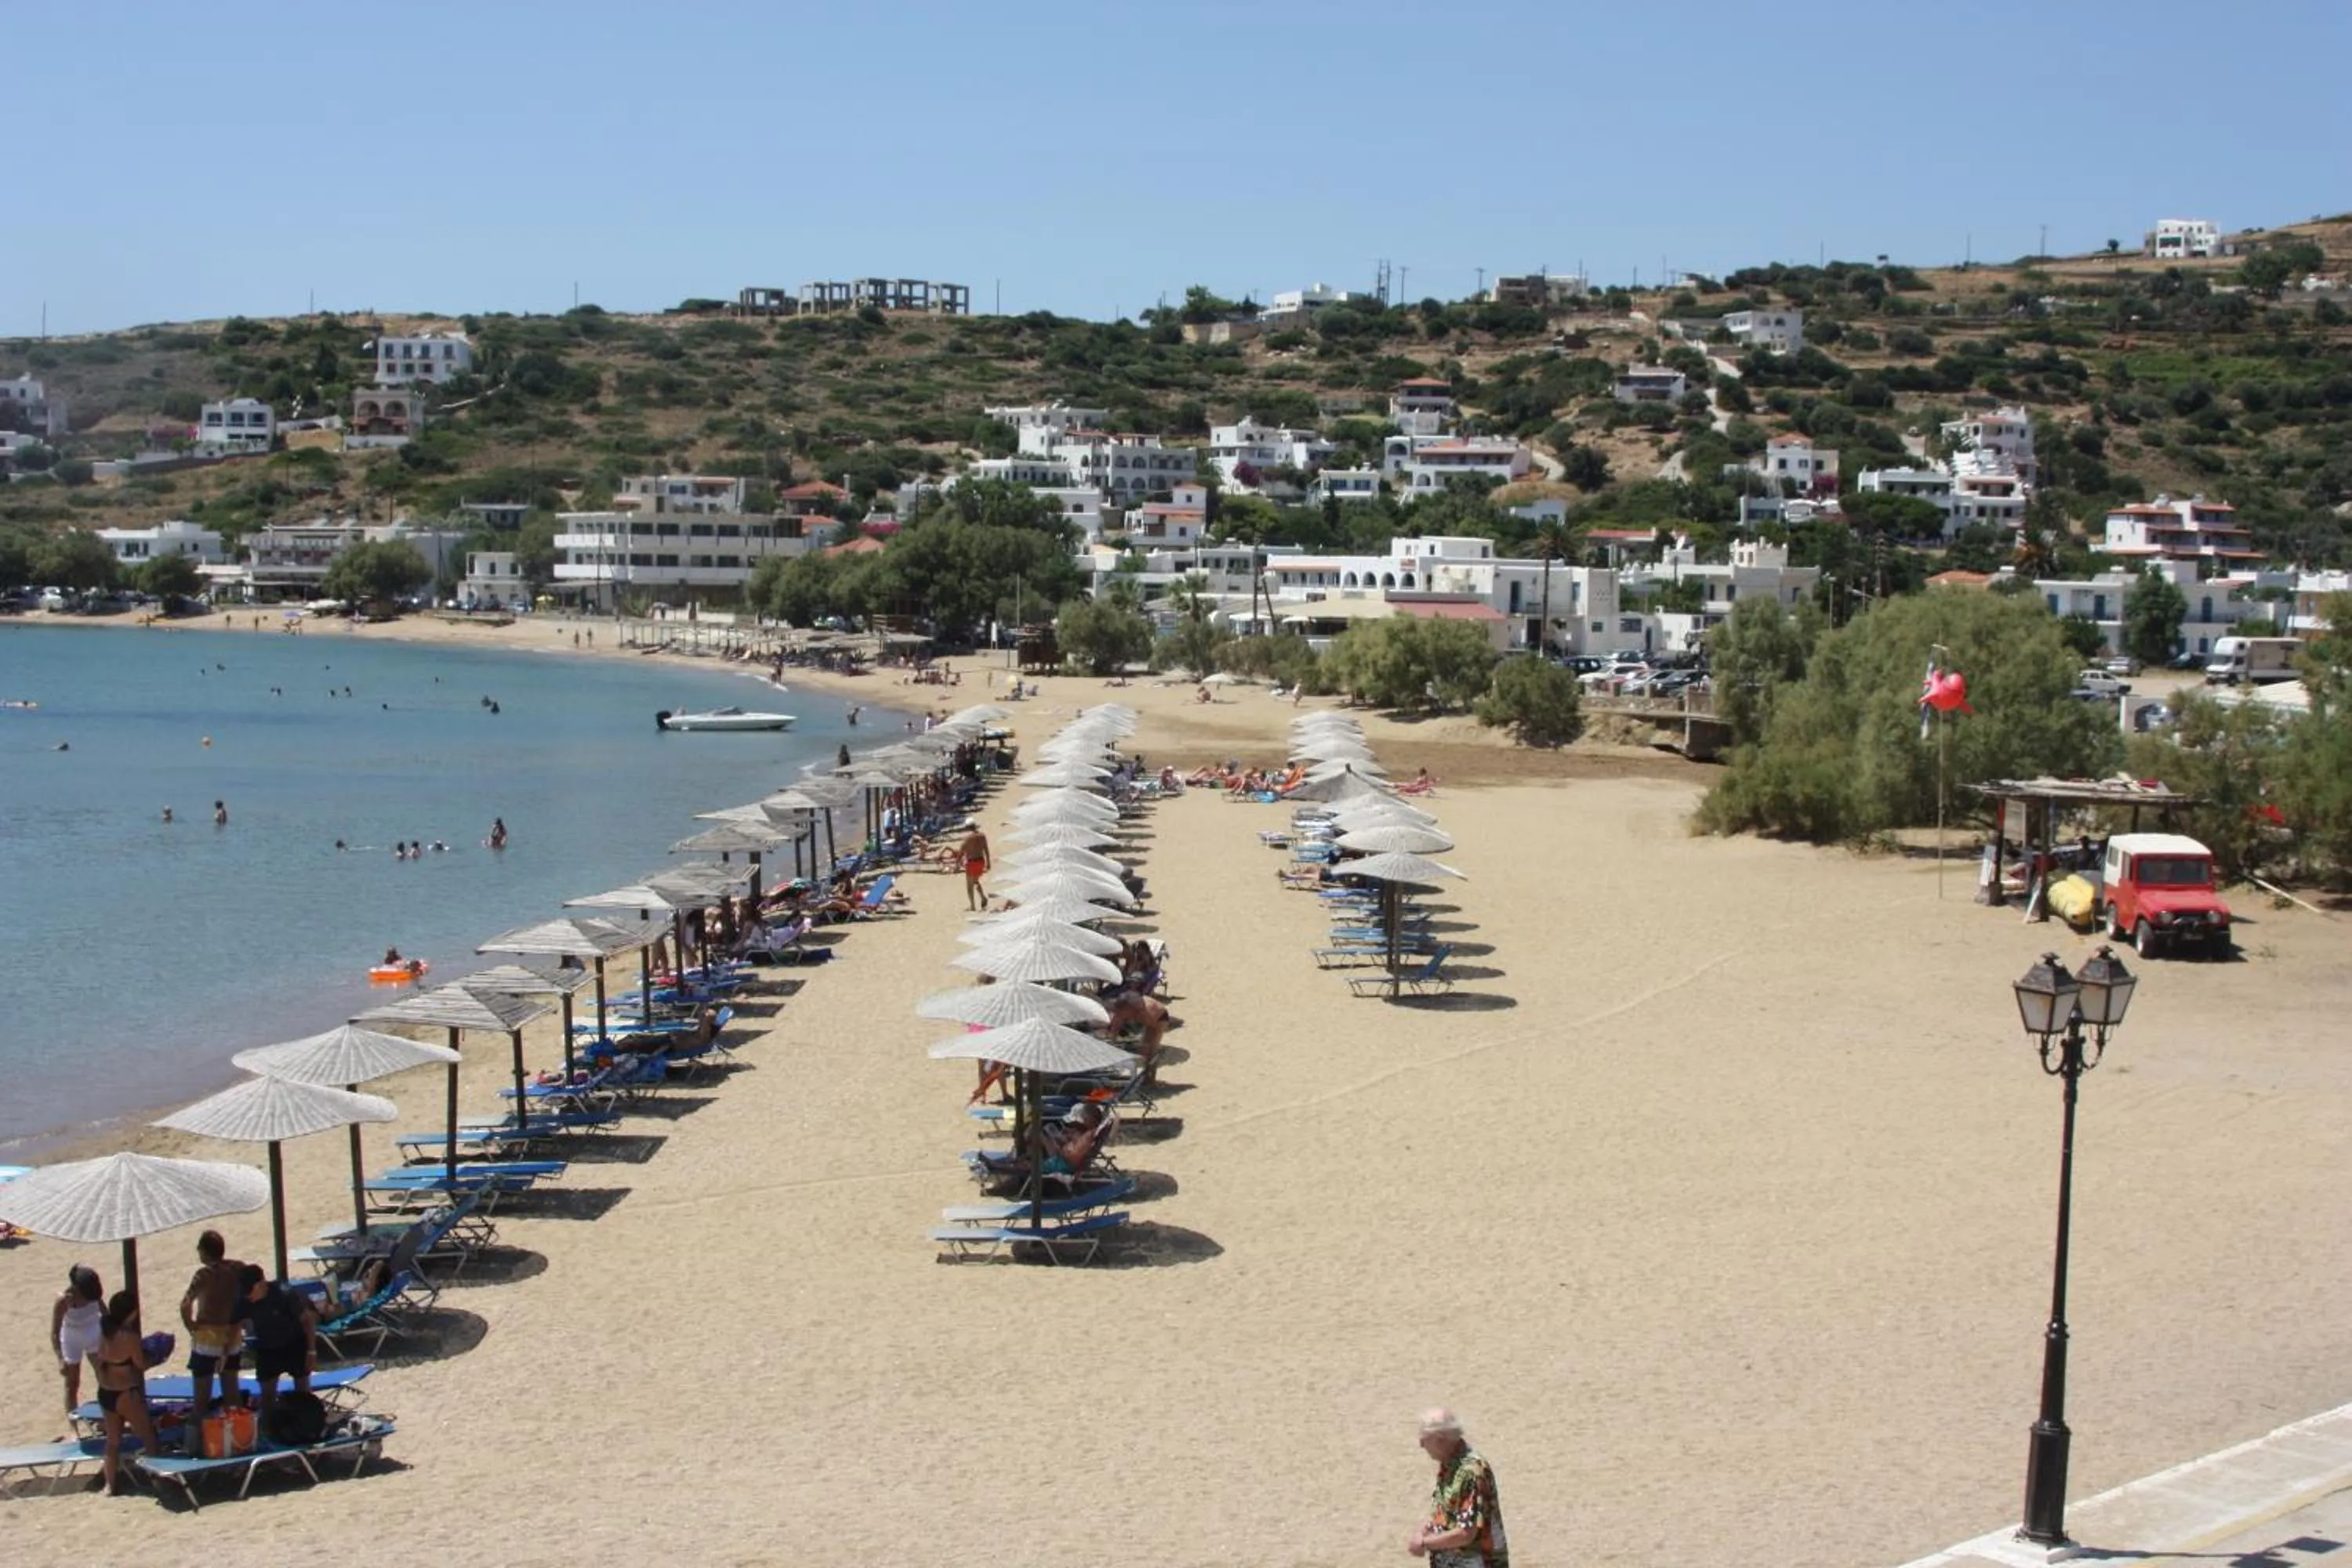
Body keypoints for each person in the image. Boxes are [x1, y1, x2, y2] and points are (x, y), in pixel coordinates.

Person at [1406, 1408, 1508, 1566]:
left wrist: (1425, 1543)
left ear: (1440, 1439)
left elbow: (1466, 1533)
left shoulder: (1471, 1472)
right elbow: (1445, 1514)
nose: (1421, 1445)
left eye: (1425, 1439)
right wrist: (1423, 1530)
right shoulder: (1450, 1464)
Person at [230, 1264, 317, 1436]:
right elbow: (234, 1324)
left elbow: (307, 1321)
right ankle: (268, 1433)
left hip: (295, 1344)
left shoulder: (283, 1293)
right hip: (267, 1348)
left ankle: (307, 1428)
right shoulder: (244, 1299)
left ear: (261, 1285)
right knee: (267, 1394)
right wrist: (228, 1351)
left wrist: (311, 1351)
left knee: (302, 1390)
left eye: (250, 1291)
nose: (248, 1296)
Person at [180, 1231, 245, 1452]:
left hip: (207, 1338)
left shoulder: (203, 1275)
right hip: (232, 1336)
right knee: (232, 1397)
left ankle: (192, 1447)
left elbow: (185, 1303)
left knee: (201, 1400)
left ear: (205, 1252)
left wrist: (190, 1326)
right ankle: (236, 1444)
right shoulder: (235, 1270)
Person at [93, 1290, 158, 1495]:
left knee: (112, 1442)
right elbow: (140, 1364)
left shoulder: (104, 1330)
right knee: (149, 1437)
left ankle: (109, 1485)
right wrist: (157, 1357)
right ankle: (159, 1480)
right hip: (125, 1393)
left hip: (106, 1392)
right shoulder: (129, 1337)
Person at [52, 1264, 105, 1414]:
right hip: (71, 1338)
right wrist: (60, 1359)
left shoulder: (93, 1294)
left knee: (104, 1378)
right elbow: (55, 1332)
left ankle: (105, 1417)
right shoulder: (63, 1301)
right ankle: (74, 1427)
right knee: (71, 1384)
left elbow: (106, 1315)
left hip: (94, 1333)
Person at [1102, 989, 1171, 1086]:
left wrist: (1146, 1044)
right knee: (1143, 1049)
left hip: (1159, 1019)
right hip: (1138, 1010)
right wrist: (1111, 1039)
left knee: (1151, 1049)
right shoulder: (1122, 1007)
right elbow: (1116, 1024)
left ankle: (1151, 1079)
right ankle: (1146, 1076)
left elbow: (1151, 1029)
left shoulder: (1146, 1013)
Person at [956, 823, 993, 911]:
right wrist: (988, 862)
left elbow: (961, 851)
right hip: (981, 861)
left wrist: (957, 863)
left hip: (971, 863)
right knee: (975, 881)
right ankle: (983, 898)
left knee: (970, 886)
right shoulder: (982, 836)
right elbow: (986, 849)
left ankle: (972, 906)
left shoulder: (967, 838)